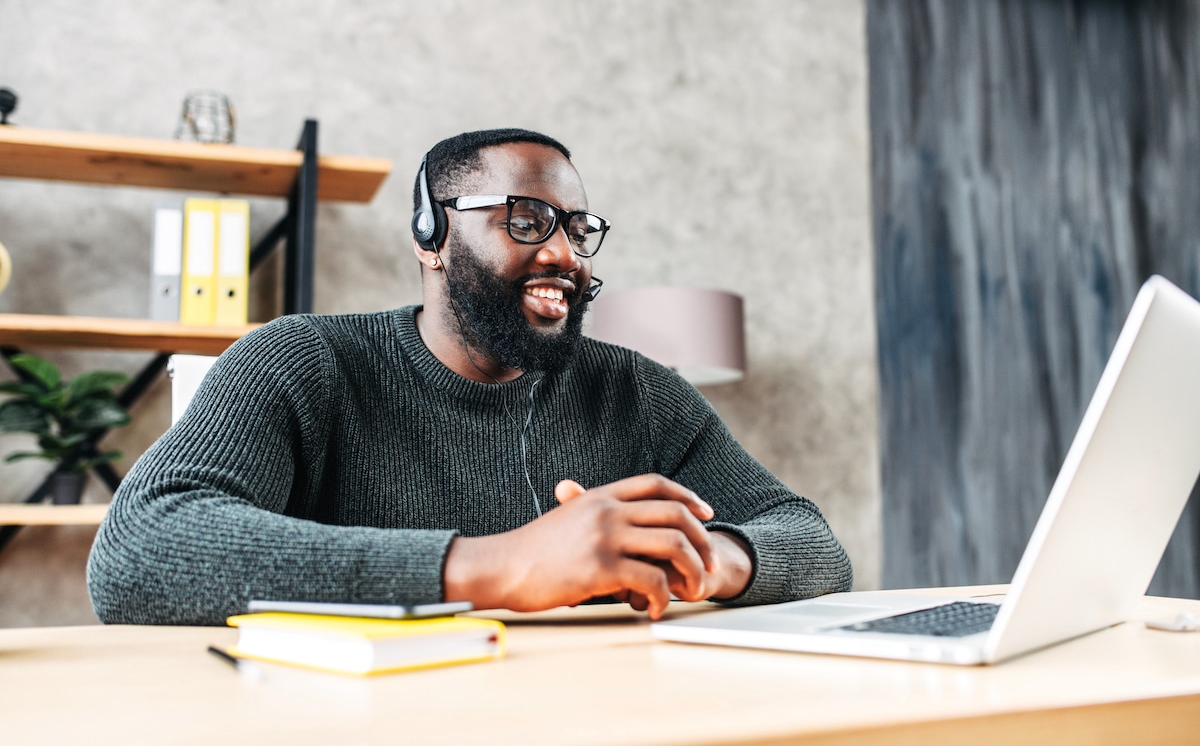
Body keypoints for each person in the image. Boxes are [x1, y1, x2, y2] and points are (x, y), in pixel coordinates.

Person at [87, 128, 853, 625]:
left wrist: (707, 561)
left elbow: (813, 542)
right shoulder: (301, 360)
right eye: (525, 219)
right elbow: (139, 550)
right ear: (432, 237)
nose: (566, 255)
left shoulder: (636, 390)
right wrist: (502, 565)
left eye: (578, 229)